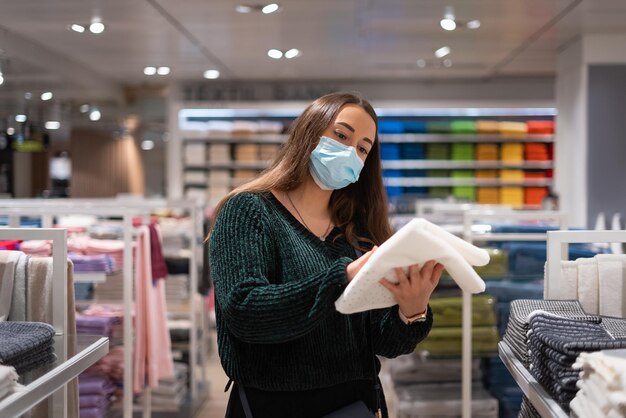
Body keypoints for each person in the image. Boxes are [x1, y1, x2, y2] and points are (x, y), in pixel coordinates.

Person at [208, 92, 443, 418]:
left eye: (362, 148)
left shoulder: (358, 231)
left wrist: (411, 311)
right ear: (309, 131)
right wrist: (342, 278)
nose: (350, 151)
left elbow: (383, 343)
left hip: (357, 404)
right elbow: (244, 312)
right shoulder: (249, 211)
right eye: (341, 135)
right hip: (273, 406)